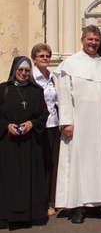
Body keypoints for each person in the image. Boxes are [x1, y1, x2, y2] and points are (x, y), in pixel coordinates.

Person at [54, 25, 101, 224]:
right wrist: (66, 122)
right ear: (82, 39)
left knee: (100, 161)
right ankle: (79, 206)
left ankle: (98, 203)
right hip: (78, 122)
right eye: (90, 39)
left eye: (97, 40)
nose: (93, 43)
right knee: (79, 164)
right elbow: (63, 95)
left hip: (100, 123)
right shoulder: (69, 63)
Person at [0, 56, 49, 230]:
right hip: (9, 143)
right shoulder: (3, 90)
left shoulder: (36, 91)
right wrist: (7, 125)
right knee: (9, 179)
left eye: (27, 70)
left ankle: (30, 214)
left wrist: (32, 124)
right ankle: (7, 215)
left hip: (30, 144)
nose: (23, 73)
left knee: (29, 178)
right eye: (20, 70)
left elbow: (44, 114)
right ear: (14, 71)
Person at [30, 43, 60, 217]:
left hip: (53, 124)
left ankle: (51, 200)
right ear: (34, 58)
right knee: (39, 163)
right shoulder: (32, 78)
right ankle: (39, 201)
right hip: (38, 126)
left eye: (47, 56)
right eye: (41, 56)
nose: (45, 58)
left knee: (51, 162)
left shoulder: (52, 77)